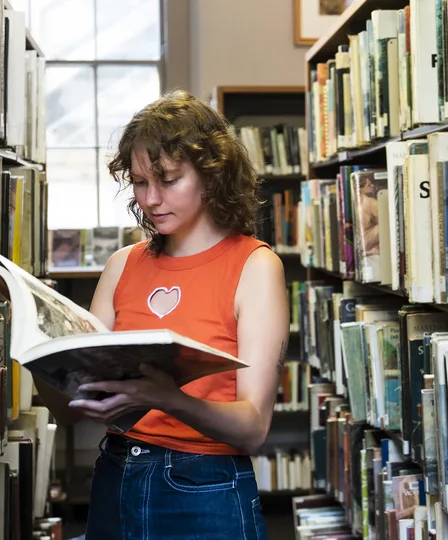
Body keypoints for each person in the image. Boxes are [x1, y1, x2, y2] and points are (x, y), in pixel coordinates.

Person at [37, 90, 289, 540]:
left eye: (168, 180)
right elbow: (72, 410)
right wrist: (41, 356)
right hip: (116, 474)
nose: (151, 199)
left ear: (212, 175)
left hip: (205, 486)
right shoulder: (121, 265)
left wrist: (168, 397)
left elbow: (253, 429)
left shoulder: (254, 266)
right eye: (138, 182)